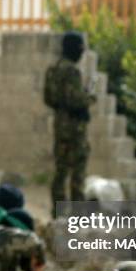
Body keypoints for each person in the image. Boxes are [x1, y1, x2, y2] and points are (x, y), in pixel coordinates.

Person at [44, 31, 97, 217]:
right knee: (78, 170)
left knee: (61, 169)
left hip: (60, 126)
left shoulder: (53, 69)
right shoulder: (72, 71)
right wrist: (89, 97)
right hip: (75, 127)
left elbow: (48, 98)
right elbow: (74, 99)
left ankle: (57, 211)